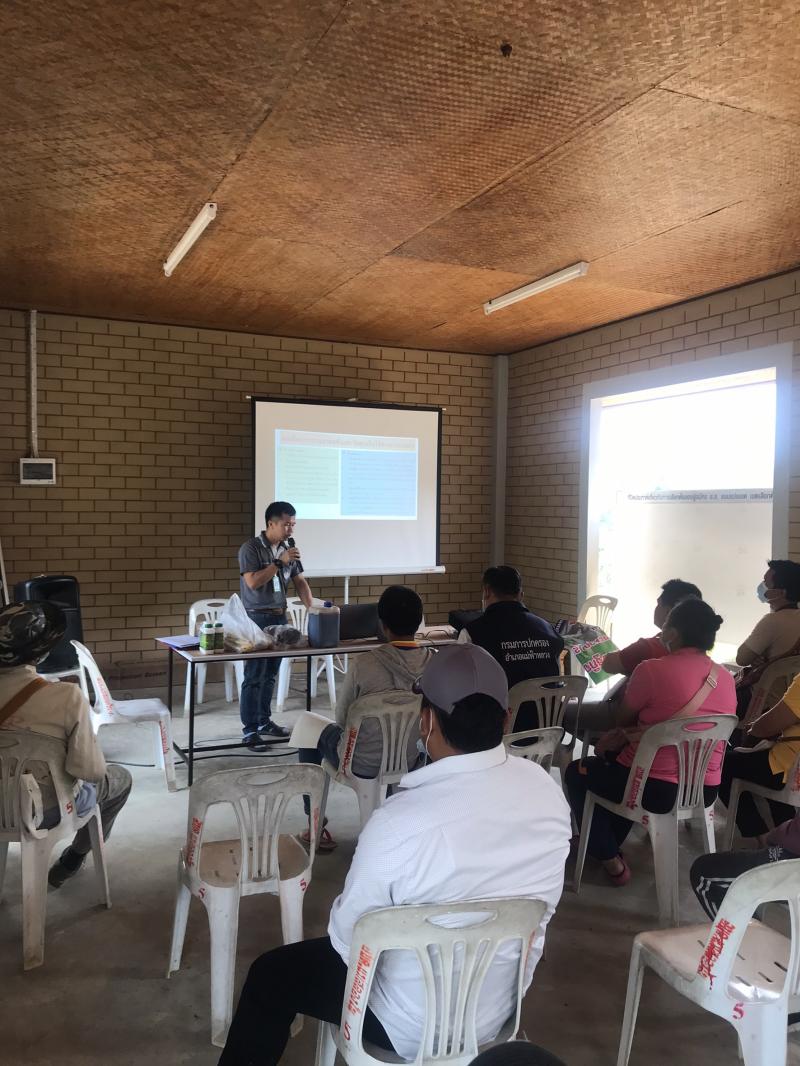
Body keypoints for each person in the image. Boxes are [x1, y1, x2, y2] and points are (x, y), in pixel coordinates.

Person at [219, 643, 572, 1066]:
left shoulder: (399, 823)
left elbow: (347, 940)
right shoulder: (546, 792)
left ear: (426, 722)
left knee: (270, 976)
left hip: (403, 1023)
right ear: (507, 718)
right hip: (496, 1013)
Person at [565, 598, 736, 886]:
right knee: (616, 769)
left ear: (673, 634)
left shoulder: (652, 670)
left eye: (666, 626)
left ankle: (609, 859)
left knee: (579, 771)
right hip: (704, 790)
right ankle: (603, 842)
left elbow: (622, 719)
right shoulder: (726, 678)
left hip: (651, 789)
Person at [0, 601, 132, 887]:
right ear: (42, 652)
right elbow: (90, 771)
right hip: (44, 812)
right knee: (119, 779)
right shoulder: (66, 696)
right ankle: (74, 857)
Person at [295, 585, 433, 851]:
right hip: (410, 758)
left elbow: (342, 719)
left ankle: (315, 826)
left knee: (308, 727)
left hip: (359, 762)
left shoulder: (364, 664)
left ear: (382, 624)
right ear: (419, 622)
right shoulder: (433, 663)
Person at [237, 501, 314, 749]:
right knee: (254, 676)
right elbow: (253, 582)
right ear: (271, 523)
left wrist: (313, 608)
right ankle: (250, 731)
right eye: (286, 524)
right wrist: (279, 563)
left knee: (270, 674)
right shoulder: (251, 548)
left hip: (280, 617)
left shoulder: (287, 549)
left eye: (293, 524)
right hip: (256, 618)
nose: (291, 529)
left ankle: (263, 721)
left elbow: (300, 582)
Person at [458, 566, 563, 729]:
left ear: (487, 592)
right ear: (521, 594)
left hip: (496, 731)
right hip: (546, 729)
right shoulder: (548, 629)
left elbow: (459, 684)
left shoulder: (473, 633)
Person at [718, 672, 800, 841]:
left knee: (721, 765)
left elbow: (769, 725)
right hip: (789, 771)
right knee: (768, 771)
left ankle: (763, 836)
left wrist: (753, 728)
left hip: (791, 771)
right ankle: (786, 839)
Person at [690, 809, 800, 919]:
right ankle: (749, 926)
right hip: (791, 849)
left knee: (703, 873)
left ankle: (746, 929)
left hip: (793, 862)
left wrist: (776, 835)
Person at [735, 559, 800, 718]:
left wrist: (760, 656)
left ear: (781, 592)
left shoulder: (772, 621)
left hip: (762, 702)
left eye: (766, 583)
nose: (762, 586)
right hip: (791, 702)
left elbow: (741, 659)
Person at [601, 578, 702, 677]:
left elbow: (608, 665)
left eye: (659, 604)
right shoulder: (699, 653)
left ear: (668, 612)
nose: (656, 608)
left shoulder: (647, 648)